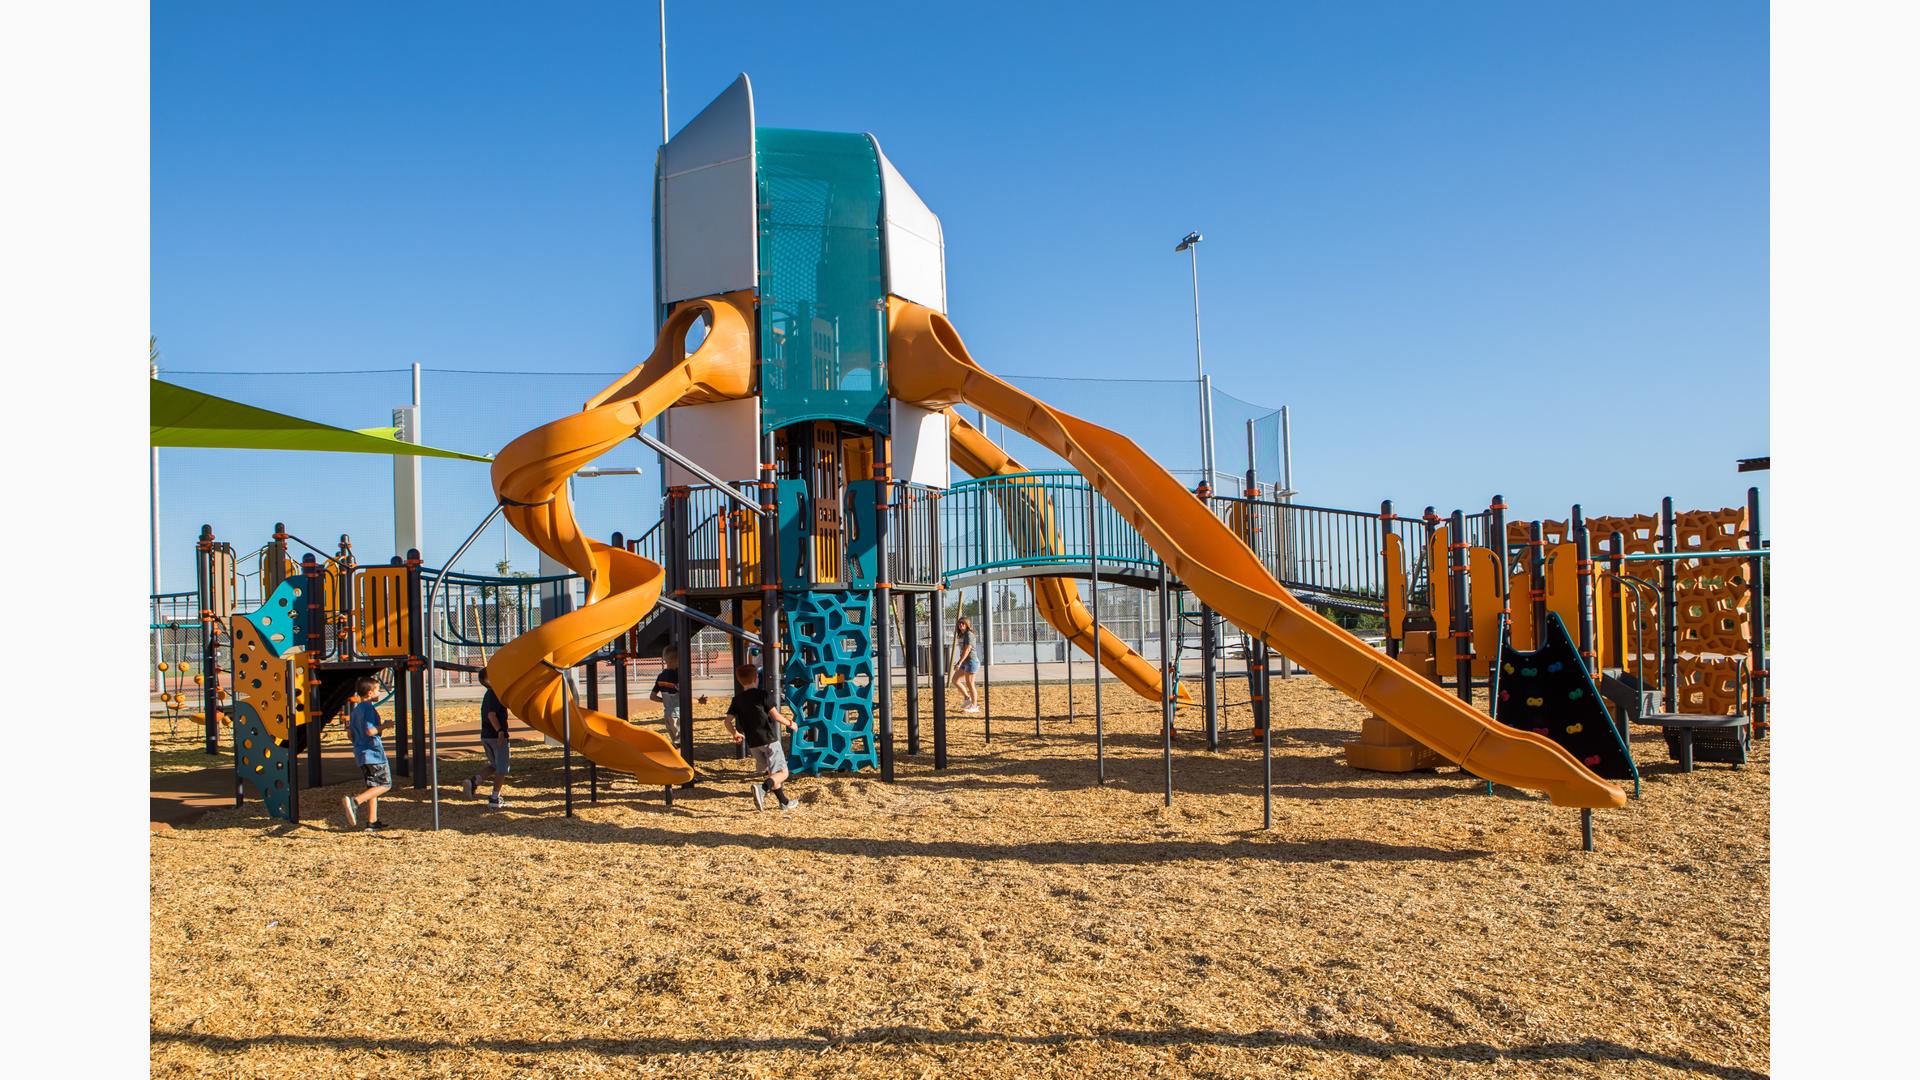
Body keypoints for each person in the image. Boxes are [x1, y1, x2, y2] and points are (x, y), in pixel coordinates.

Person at [723, 664, 797, 811]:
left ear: (739, 681)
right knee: (783, 773)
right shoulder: (763, 695)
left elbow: (727, 722)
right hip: (769, 740)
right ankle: (762, 788)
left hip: (753, 744)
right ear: (756, 678)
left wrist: (735, 733)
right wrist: (790, 723)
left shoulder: (737, 699)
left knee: (773, 773)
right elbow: (775, 716)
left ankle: (784, 802)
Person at [341, 676, 392, 831]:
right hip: (374, 754)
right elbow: (370, 730)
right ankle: (355, 802)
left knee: (373, 786)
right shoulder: (369, 709)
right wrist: (385, 725)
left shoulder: (356, 711)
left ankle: (372, 822)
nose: (380, 692)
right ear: (370, 693)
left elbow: (350, 735)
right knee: (385, 784)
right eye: (378, 689)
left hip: (362, 754)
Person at [463, 669, 512, 808]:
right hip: (496, 736)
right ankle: (495, 798)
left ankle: (474, 781)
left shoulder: (488, 695)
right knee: (502, 768)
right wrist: (501, 731)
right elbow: (492, 715)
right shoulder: (495, 694)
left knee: (495, 765)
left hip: (486, 735)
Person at [650, 645, 683, 744]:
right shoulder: (678, 676)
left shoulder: (661, 676)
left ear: (665, 659)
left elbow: (652, 697)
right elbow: (684, 696)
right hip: (677, 714)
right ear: (678, 659)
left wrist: (664, 700)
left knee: (675, 741)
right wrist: (699, 700)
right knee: (681, 742)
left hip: (667, 714)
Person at [951, 615, 980, 713]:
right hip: (965, 662)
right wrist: (960, 662)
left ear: (967, 624)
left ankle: (975, 706)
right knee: (955, 680)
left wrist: (959, 662)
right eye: (959, 623)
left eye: (962, 623)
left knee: (970, 684)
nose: (960, 625)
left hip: (971, 661)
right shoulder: (961, 635)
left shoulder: (969, 634)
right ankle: (967, 698)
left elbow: (967, 649)